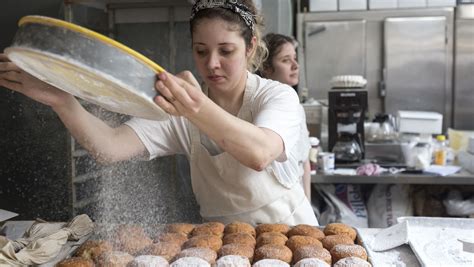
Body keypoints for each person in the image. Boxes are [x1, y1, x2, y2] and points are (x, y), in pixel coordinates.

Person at [0, 0, 318, 226]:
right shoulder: (183, 109)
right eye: (201, 51)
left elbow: (259, 153)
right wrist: (62, 101)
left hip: (290, 241)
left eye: (226, 51)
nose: (212, 64)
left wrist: (196, 108)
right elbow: (110, 147)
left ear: (250, 47)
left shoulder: (276, 97)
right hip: (221, 247)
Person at [259, 33, 312, 201]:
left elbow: (304, 162)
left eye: (295, 58)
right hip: (274, 200)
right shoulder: (261, 107)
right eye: (286, 60)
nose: (295, 66)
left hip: (297, 199)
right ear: (266, 68)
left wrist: (307, 204)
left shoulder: (298, 108)